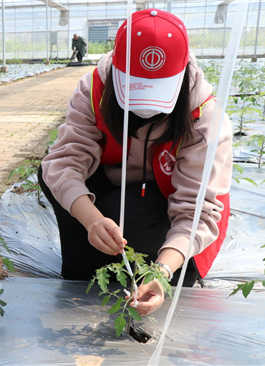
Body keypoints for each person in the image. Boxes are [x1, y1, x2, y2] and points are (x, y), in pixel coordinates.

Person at [39, 9, 231, 316]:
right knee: (54, 178)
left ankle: (153, 266)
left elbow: (198, 212)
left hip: (166, 202)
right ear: (116, 69)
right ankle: (87, 256)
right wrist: (91, 220)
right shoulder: (94, 89)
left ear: (182, 76)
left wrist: (163, 272)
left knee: (134, 221)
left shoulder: (205, 117)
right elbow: (64, 163)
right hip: (114, 188)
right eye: (135, 89)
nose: (145, 110)